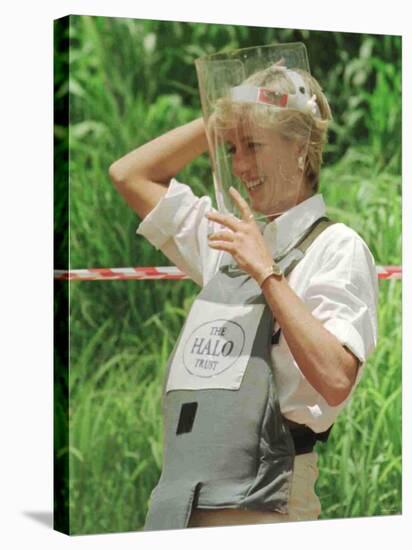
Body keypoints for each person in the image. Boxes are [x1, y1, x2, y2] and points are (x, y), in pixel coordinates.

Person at [109, 45, 378, 530]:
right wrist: (222, 117)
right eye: (232, 149)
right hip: (181, 502)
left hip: (267, 504)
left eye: (253, 146)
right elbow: (130, 174)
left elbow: (336, 379)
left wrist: (267, 275)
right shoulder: (229, 238)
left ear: (299, 149)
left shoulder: (338, 247)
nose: (239, 165)